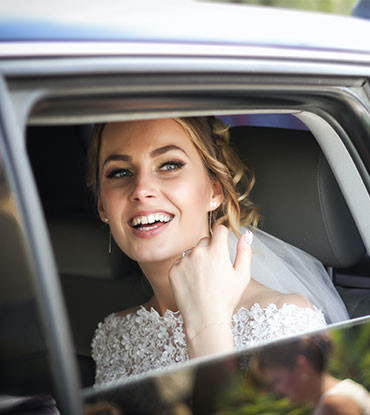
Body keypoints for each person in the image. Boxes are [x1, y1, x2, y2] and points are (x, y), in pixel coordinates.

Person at [88, 117, 347, 385]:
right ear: (103, 206)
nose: (141, 190)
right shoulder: (114, 335)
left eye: (169, 165)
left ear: (215, 189)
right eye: (119, 172)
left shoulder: (283, 323)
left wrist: (207, 328)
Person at [255, 334, 370, 415]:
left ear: (301, 366)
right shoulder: (334, 397)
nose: (276, 390)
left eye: (277, 380)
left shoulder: (334, 404)